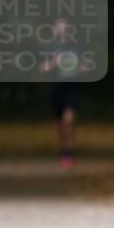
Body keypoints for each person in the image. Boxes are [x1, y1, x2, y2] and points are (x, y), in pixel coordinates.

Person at [42, 17, 83, 168]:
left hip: (72, 87)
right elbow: (43, 68)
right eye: (60, 28)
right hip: (56, 88)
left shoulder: (77, 47)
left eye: (65, 28)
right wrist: (55, 62)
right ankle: (64, 150)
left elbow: (86, 66)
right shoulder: (50, 48)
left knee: (69, 120)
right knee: (61, 124)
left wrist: (78, 68)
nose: (63, 31)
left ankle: (69, 152)